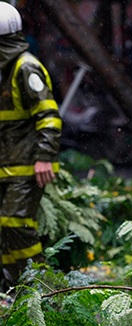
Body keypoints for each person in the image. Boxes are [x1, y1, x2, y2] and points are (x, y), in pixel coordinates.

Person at [0, 3, 61, 291]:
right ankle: (15, 289)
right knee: (5, 230)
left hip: (26, 165)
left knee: (16, 225)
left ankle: (42, 289)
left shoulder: (26, 68)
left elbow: (48, 115)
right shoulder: (3, 69)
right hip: (7, 165)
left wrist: (45, 156)